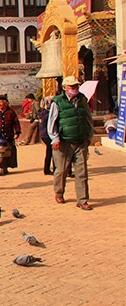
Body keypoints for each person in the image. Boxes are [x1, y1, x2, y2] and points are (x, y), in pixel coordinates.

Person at [48, 76, 94, 210]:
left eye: (76, 86)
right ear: (65, 88)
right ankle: (59, 192)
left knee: (82, 172)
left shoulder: (83, 99)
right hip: (64, 142)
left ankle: (82, 200)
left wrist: (89, 135)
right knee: (61, 170)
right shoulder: (57, 102)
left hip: (80, 141)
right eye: (72, 87)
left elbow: (87, 117)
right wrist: (55, 139)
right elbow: (52, 122)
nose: (75, 89)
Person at [0, 94, 21, 176]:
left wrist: (17, 132)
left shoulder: (11, 111)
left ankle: (4, 167)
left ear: (5, 103)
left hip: (8, 134)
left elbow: (16, 122)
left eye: (1, 102)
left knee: (7, 152)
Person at [38, 97, 54, 176]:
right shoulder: (47, 114)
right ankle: (50, 169)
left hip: (43, 134)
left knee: (49, 152)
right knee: (52, 152)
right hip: (48, 135)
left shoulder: (41, 112)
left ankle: (47, 169)